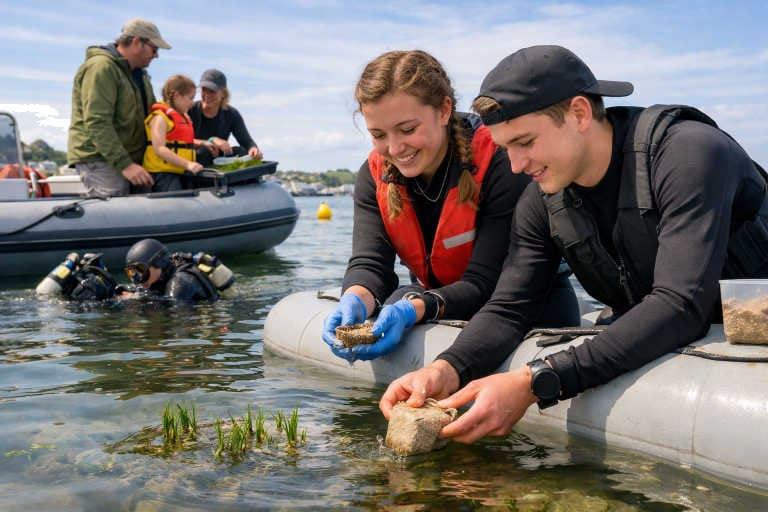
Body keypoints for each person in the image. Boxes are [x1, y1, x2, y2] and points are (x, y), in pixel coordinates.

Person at [379, 45, 768, 443]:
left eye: (525, 141)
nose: (515, 165)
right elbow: (512, 305)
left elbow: (681, 304)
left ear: (579, 113)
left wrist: (538, 381)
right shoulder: (540, 199)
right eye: (505, 148)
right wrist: (445, 369)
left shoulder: (688, 154)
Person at [322, 50, 580, 362]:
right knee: (398, 297)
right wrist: (356, 298)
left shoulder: (502, 163)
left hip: (527, 308)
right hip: (437, 302)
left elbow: (485, 281)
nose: (394, 148)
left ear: (444, 110)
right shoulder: (373, 176)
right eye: (378, 134)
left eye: (407, 130)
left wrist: (415, 305)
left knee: (405, 298)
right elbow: (371, 263)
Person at [67, 18, 171, 196]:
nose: (156, 55)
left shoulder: (141, 75)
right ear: (137, 42)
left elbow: (154, 114)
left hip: (132, 157)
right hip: (101, 157)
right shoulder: (101, 67)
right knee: (114, 207)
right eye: (154, 49)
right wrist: (126, 165)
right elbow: (97, 122)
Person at [141, 75, 204, 192]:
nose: (192, 103)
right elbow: (159, 148)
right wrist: (188, 164)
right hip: (162, 175)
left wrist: (204, 144)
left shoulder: (182, 117)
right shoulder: (160, 118)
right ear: (176, 95)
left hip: (179, 171)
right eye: (190, 98)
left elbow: (181, 142)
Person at [188, 69, 263, 167]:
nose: (207, 94)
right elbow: (177, 141)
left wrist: (253, 149)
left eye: (212, 91)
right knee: (203, 152)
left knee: (242, 152)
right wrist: (210, 141)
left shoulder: (232, 114)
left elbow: (246, 141)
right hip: (194, 162)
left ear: (223, 93)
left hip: (219, 160)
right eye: (204, 89)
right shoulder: (189, 110)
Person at [123, 239, 235, 301]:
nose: (137, 278)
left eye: (141, 270)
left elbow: (172, 308)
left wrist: (137, 298)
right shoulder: (158, 278)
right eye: (132, 273)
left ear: (159, 263)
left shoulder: (180, 281)